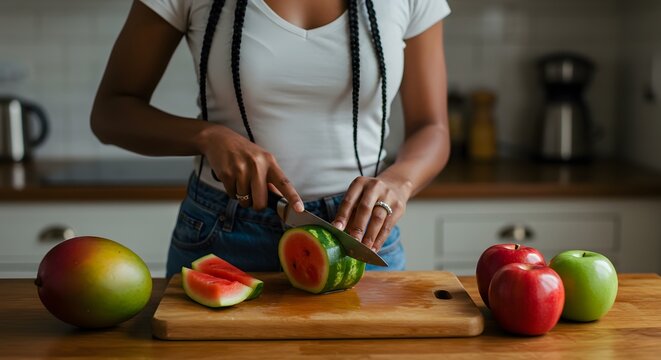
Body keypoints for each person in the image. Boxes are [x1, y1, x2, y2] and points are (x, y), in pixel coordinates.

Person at [91, 0, 451, 278]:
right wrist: (207, 136)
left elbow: (431, 127)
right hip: (224, 232)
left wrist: (398, 183)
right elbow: (111, 113)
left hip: (359, 234)